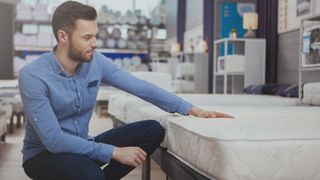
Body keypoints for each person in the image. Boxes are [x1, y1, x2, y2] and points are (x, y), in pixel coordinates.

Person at [19, 1, 233, 180]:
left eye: (95, 35)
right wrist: (113, 152)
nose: (95, 43)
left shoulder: (96, 62)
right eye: (87, 37)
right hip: (44, 155)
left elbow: (140, 86)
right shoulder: (33, 75)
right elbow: (54, 140)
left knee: (152, 130)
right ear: (63, 36)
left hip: (83, 147)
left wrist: (192, 110)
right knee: (90, 175)